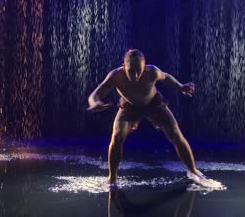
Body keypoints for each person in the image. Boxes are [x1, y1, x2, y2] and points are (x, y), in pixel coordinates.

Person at [87, 49, 205, 187]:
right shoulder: (115, 76)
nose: (136, 75)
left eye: (139, 70)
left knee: (176, 135)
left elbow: (165, 77)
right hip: (129, 106)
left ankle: (193, 171)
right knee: (116, 137)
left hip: (154, 103)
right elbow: (95, 94)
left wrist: (180, 86)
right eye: (131, 70)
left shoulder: (152, 71)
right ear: (124, 66)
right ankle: (112, 178)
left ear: (145, 66)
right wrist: (94, 103)